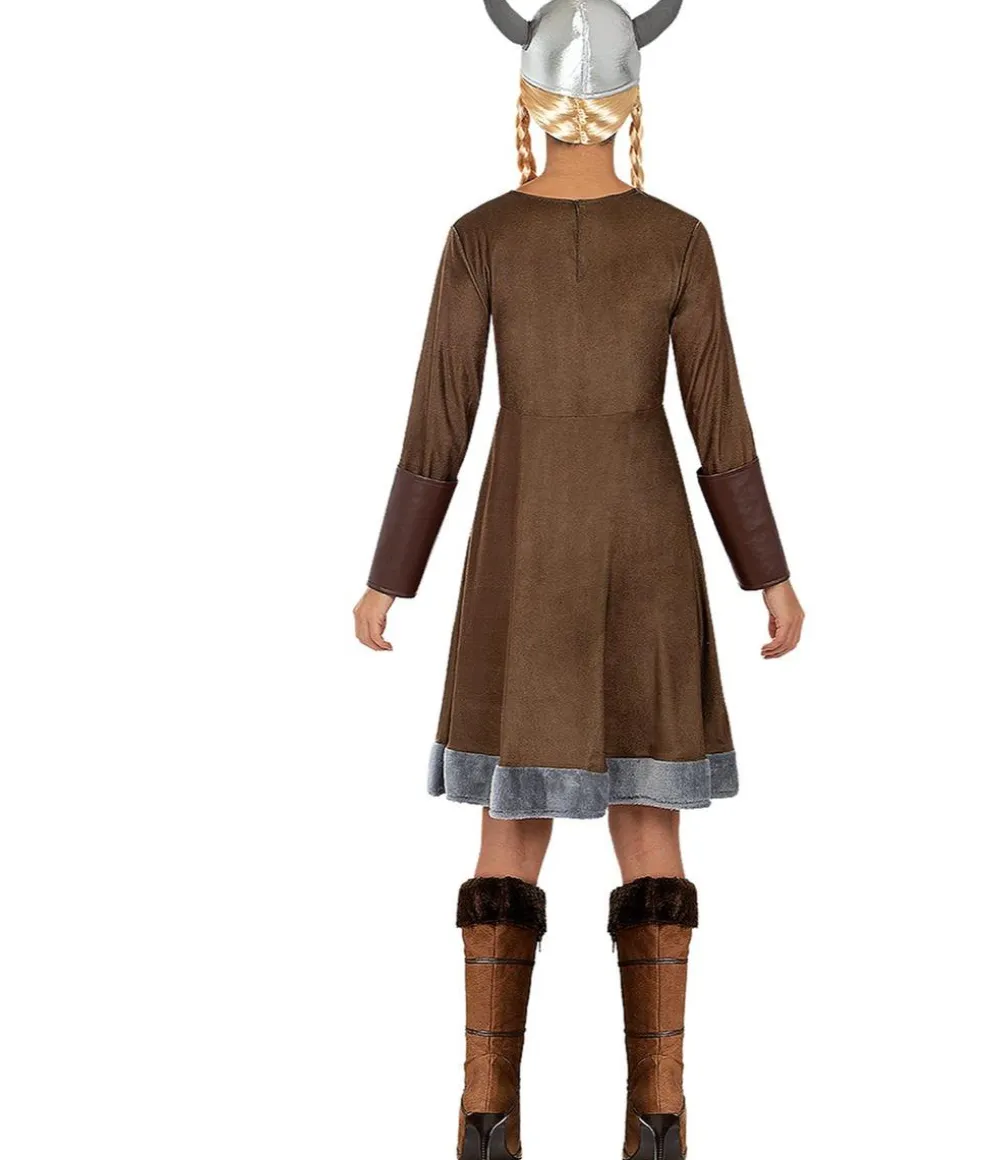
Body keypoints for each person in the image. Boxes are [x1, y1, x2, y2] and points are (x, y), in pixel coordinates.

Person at [352, 3, 804, 1156]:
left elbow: (440, 416)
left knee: (510, 828)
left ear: (528, 99)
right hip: (646, 545)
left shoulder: (480, 235)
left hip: (523, 551)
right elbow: (718, 422)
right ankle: (660, 1117)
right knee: (647, 823)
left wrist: (388, 579)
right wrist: (768, 575)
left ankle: (484, 1114)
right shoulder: (676, 237)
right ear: (632, 101)